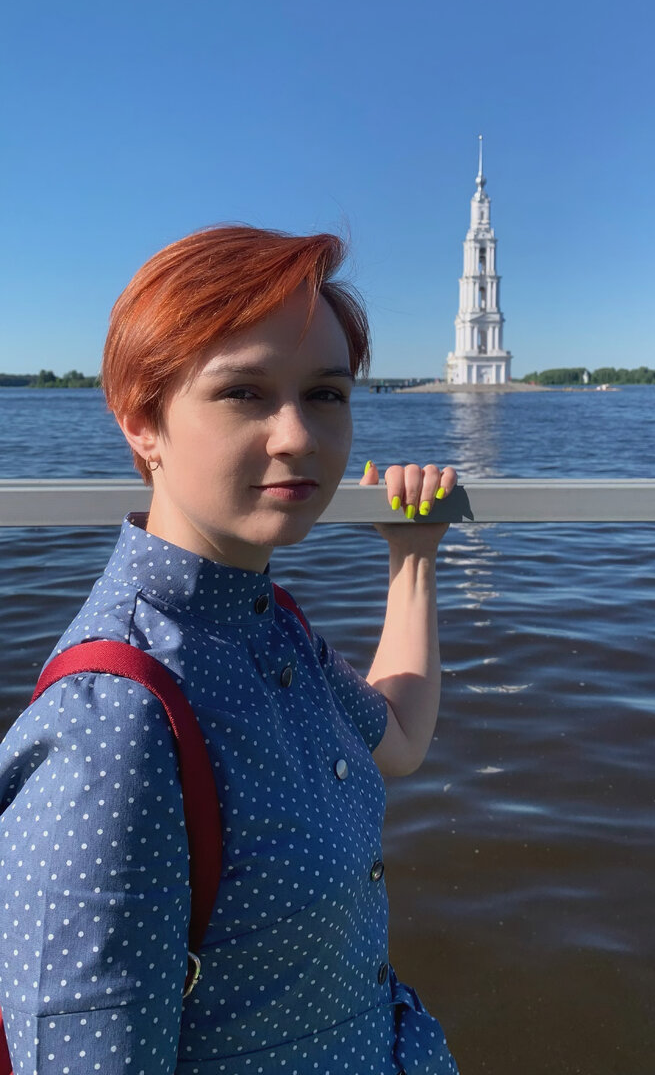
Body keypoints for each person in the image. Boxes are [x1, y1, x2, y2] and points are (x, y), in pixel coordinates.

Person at [0, 225, 460, 1074]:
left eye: (325, 393)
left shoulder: (266, 624)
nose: (297, 436)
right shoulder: (115, 726)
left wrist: (413, 558)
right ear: (142, 422)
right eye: (244, 392)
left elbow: (396, 740)